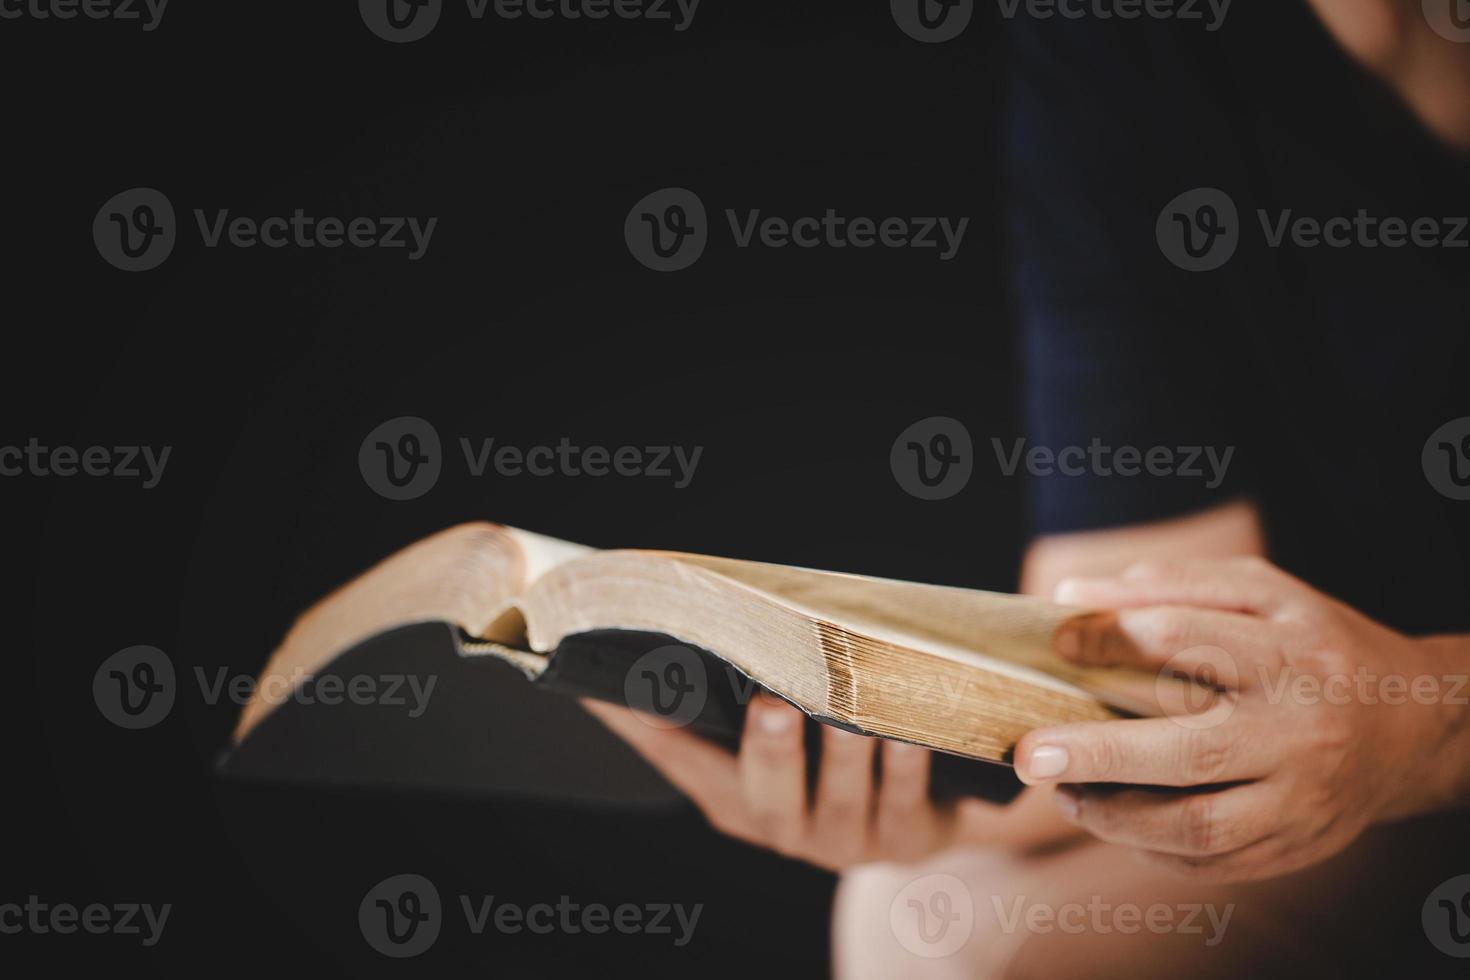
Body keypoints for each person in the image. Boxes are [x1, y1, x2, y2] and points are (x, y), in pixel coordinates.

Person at [584, 2, 1470, 974]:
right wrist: (973, 805)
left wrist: (1422, 723)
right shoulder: (1128, 38)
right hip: (1363, 772)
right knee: (920, 908)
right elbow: (1140, 618)